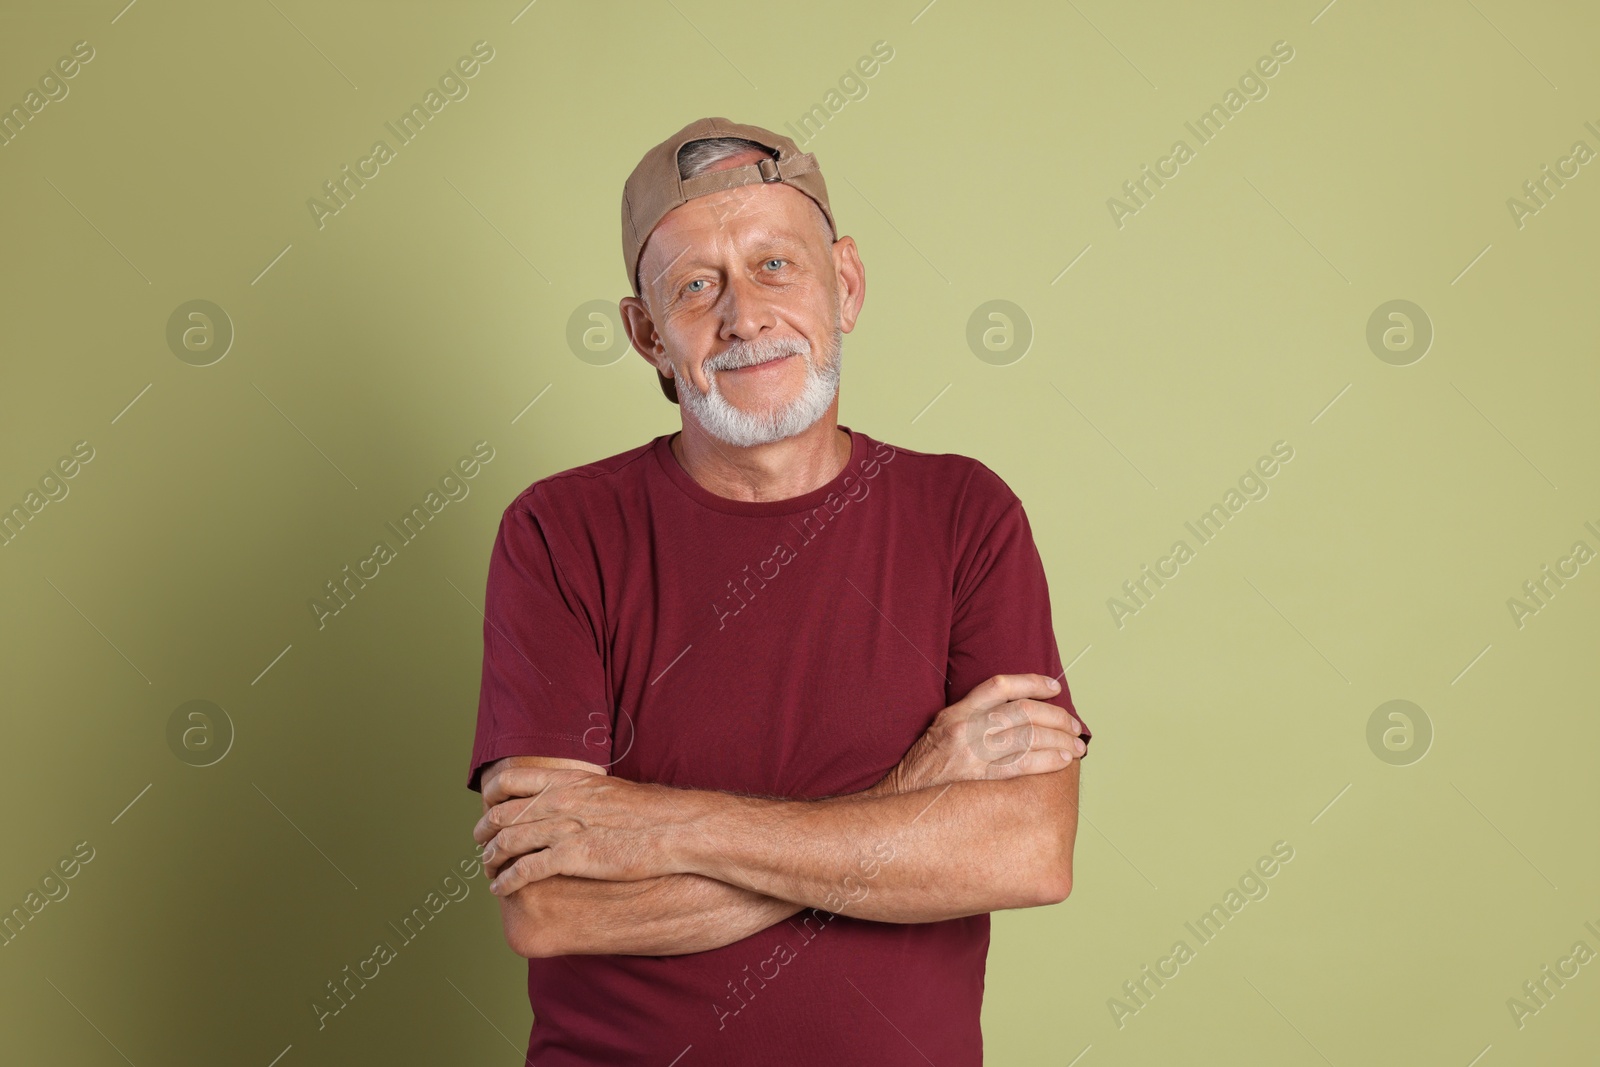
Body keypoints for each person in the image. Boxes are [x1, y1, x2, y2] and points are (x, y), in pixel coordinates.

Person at [467, 116, 1093, 1066]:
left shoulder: (965, 513)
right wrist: (911, 798)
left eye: (774, 265)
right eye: (695, 286)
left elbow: (1025, 853)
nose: (744, 317)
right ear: (647, 336)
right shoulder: (559, 534)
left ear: (844, 284)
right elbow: (553, 906)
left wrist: (664, 824)